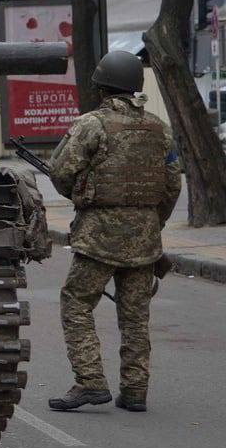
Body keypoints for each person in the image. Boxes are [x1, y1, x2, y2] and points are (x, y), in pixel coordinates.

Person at [46, 51, 182, 413]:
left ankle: (90, 382)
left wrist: (80, 196)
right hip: (146, 240)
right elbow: (172, 184)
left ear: (102, 86)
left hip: (99, 237)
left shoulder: (91, 124)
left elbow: (60, 171)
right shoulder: (159, 128)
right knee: (136, 315)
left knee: (76, 304)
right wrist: (153, 222)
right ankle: (135, 390)